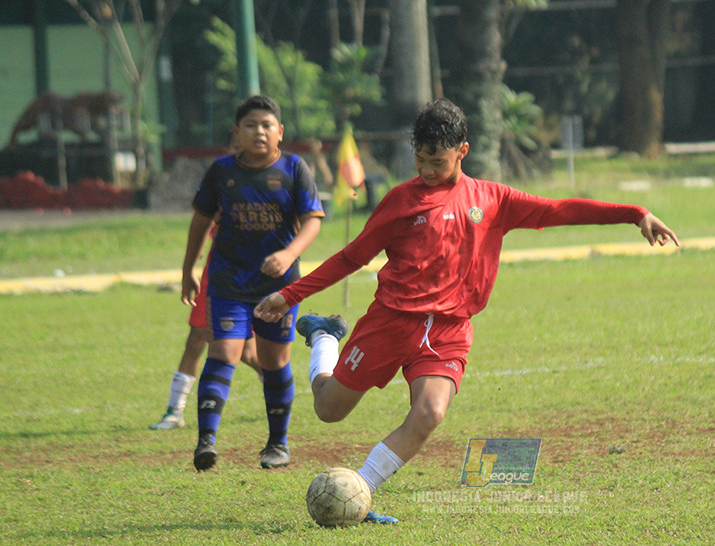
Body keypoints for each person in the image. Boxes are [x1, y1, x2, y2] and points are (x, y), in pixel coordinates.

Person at [255, 98, 679, 523]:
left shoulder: (493, 199)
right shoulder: (400, 201)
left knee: (430, 413)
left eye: (437, 161)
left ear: (463, 151)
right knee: (329, 410)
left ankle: (360, 490)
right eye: (420, 159)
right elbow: (351, 257)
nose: (426, 170)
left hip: (449, 330)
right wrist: (289, 295)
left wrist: (635, 214)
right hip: (390, 322)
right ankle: (324, 336)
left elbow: (558, 210)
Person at [182, 94, 325, 471]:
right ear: (237, 132)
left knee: (274, 359)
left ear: (280, 132)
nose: (259, 132)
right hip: (228, 280)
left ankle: (278, 444)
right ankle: (206, 441)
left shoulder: (294, 168)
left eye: (266, 125)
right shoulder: (221, 171)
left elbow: (312, 219)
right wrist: (189, 268)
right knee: (223, 352)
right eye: (250, 125)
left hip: (278, 286)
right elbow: (200, 220)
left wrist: (289, 253)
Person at [150, 224, 262, 430]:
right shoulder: (221, 201)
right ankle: (175, 412)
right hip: (217, 273)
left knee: (247, 352)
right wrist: (190, 267)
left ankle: (274, 384)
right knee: (196, 338)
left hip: (251, 273)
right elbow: (203, 221)